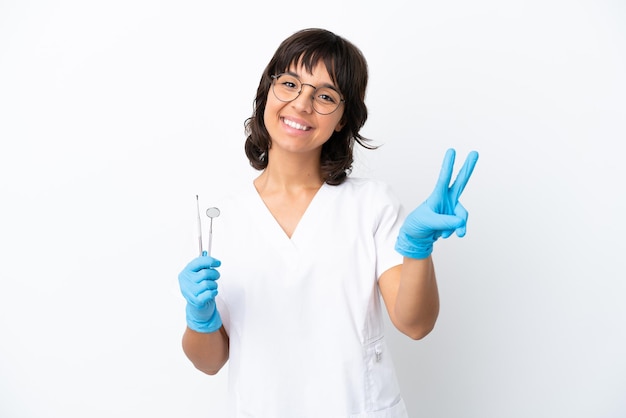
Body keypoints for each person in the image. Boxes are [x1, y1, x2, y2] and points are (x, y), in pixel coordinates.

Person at [178, 28, 479, 417]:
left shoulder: (371, 204)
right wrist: (200, 317)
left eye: (324, 96)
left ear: (342, 119)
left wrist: (417, 249)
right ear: (267, 93)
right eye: (289, 83)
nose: (301, 104)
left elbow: (415, 324)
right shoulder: (223, 219)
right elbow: (209, 361)